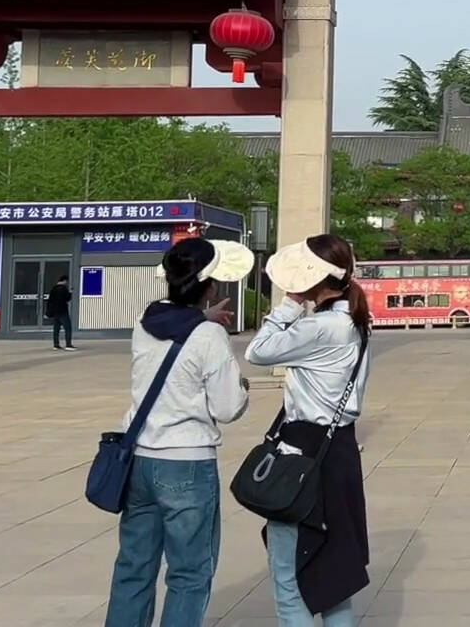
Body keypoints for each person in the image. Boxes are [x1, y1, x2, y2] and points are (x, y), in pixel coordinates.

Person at [105, 238, 250, 627]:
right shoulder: (209, 336)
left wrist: (203, 317)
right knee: (189, 573)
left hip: (139, 459)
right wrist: (242, 386)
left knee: (134, 567)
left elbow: (178, 324)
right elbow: (227, 407)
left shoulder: (145, 321)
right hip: (186, 463)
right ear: (210, 286)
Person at [246, 235, 373, 626]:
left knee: (289, 582)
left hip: (304, 455)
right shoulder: (355, 323)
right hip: (341, 451)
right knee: (334, 580)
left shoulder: (319, 328)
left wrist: (289, 303)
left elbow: (258, 352)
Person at [47, 274, 75, 350]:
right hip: (62, 311)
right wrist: (70, 292)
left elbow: (50, 301)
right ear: (65, 281)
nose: (67, 283)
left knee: (56, 329)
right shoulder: (63, 289)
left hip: (55, 312)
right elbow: (67, 298)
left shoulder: (53, 289)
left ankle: (56, 345)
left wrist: (49, 312)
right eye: (67, 282)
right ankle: (68, 345)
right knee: (68, 328)